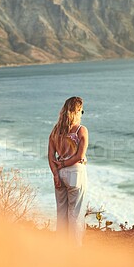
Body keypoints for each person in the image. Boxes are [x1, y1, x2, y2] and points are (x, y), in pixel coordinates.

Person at [48, 96, 88, 246]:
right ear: (77, 111)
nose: (81, 114)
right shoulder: (80, 130)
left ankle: (62, 248)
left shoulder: (55, 131)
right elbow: (80, 156)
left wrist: (56, 173)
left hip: (60, 174)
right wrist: (64, 163)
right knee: (76, 214)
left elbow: (51, 155)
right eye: (81, 111)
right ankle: (75, 250)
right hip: (75, 173)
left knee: (62, 213)